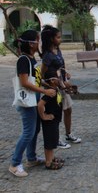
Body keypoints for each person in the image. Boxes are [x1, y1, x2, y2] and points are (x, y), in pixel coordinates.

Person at [9, 30, 56, 177]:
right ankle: (15, 164)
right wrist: (44, 91)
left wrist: (46, 83)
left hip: (33, 99)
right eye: (38, 40)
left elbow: (33, 78)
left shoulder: (31, 58)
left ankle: (31, 158)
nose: (40, 43)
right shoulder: (23, 60)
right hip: (27, 101)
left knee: (34, 130)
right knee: (28, 132)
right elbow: (24, 83)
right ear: (31, 44)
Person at [40, 25, 81, 149]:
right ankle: (56, 138)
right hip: (55, 88)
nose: (60, 39)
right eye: (58, 37)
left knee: (68, 110)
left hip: (63, 85)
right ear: (52, 39)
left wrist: (65, 74)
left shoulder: (58, 50)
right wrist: (50, 85)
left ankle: (68, 134)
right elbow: (42, 74)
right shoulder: (47, 55)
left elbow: (61, 66)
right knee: (57, 114)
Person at [37, 70, 64, 170]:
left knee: (53, 140)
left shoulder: (55, 88)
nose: (60, 79)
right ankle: (48, 162)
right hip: (49, 121)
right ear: (52, 80)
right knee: (49, 142)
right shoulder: (50, 92)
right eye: (58, 78)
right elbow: (40, 104)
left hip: (55, 120)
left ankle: (52, 158)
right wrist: (44, 116)